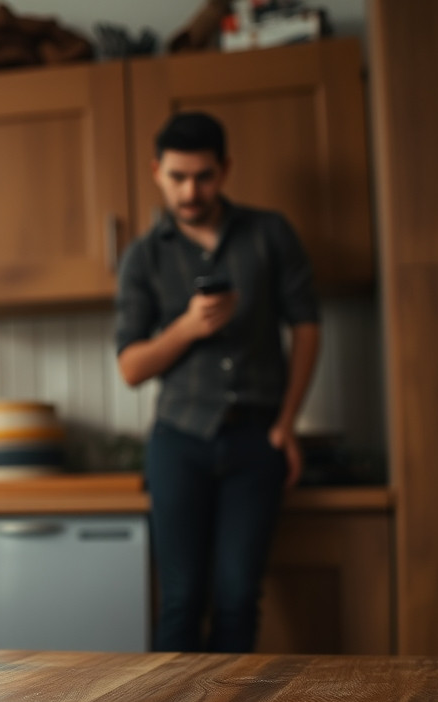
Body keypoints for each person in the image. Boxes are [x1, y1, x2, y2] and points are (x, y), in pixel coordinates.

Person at [115, 111, 321, 653]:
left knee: (237, 597)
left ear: (225, 169)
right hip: (177, 443)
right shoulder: (143, 255)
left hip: (258, 441)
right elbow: (131, 367)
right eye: (178, 176)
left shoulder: (270, 234)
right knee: (181, 599)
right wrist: (186, 327)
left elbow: (307, 325)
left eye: (203, 176)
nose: (190, 190)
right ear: (156, 170)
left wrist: (287, 424)